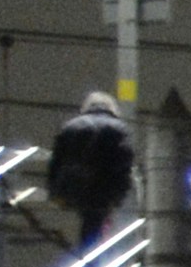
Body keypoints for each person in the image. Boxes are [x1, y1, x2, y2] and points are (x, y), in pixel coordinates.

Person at [39, 89, 136, 255]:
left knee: (88, 220)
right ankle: (92, 257)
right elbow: (124, 163)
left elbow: (56, 163)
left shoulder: (70, 127)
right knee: (95, 222)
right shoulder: (119, 128)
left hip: (72, 185)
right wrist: (120, 194)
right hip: (102, 186)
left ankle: (88, 255)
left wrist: (54, 191)